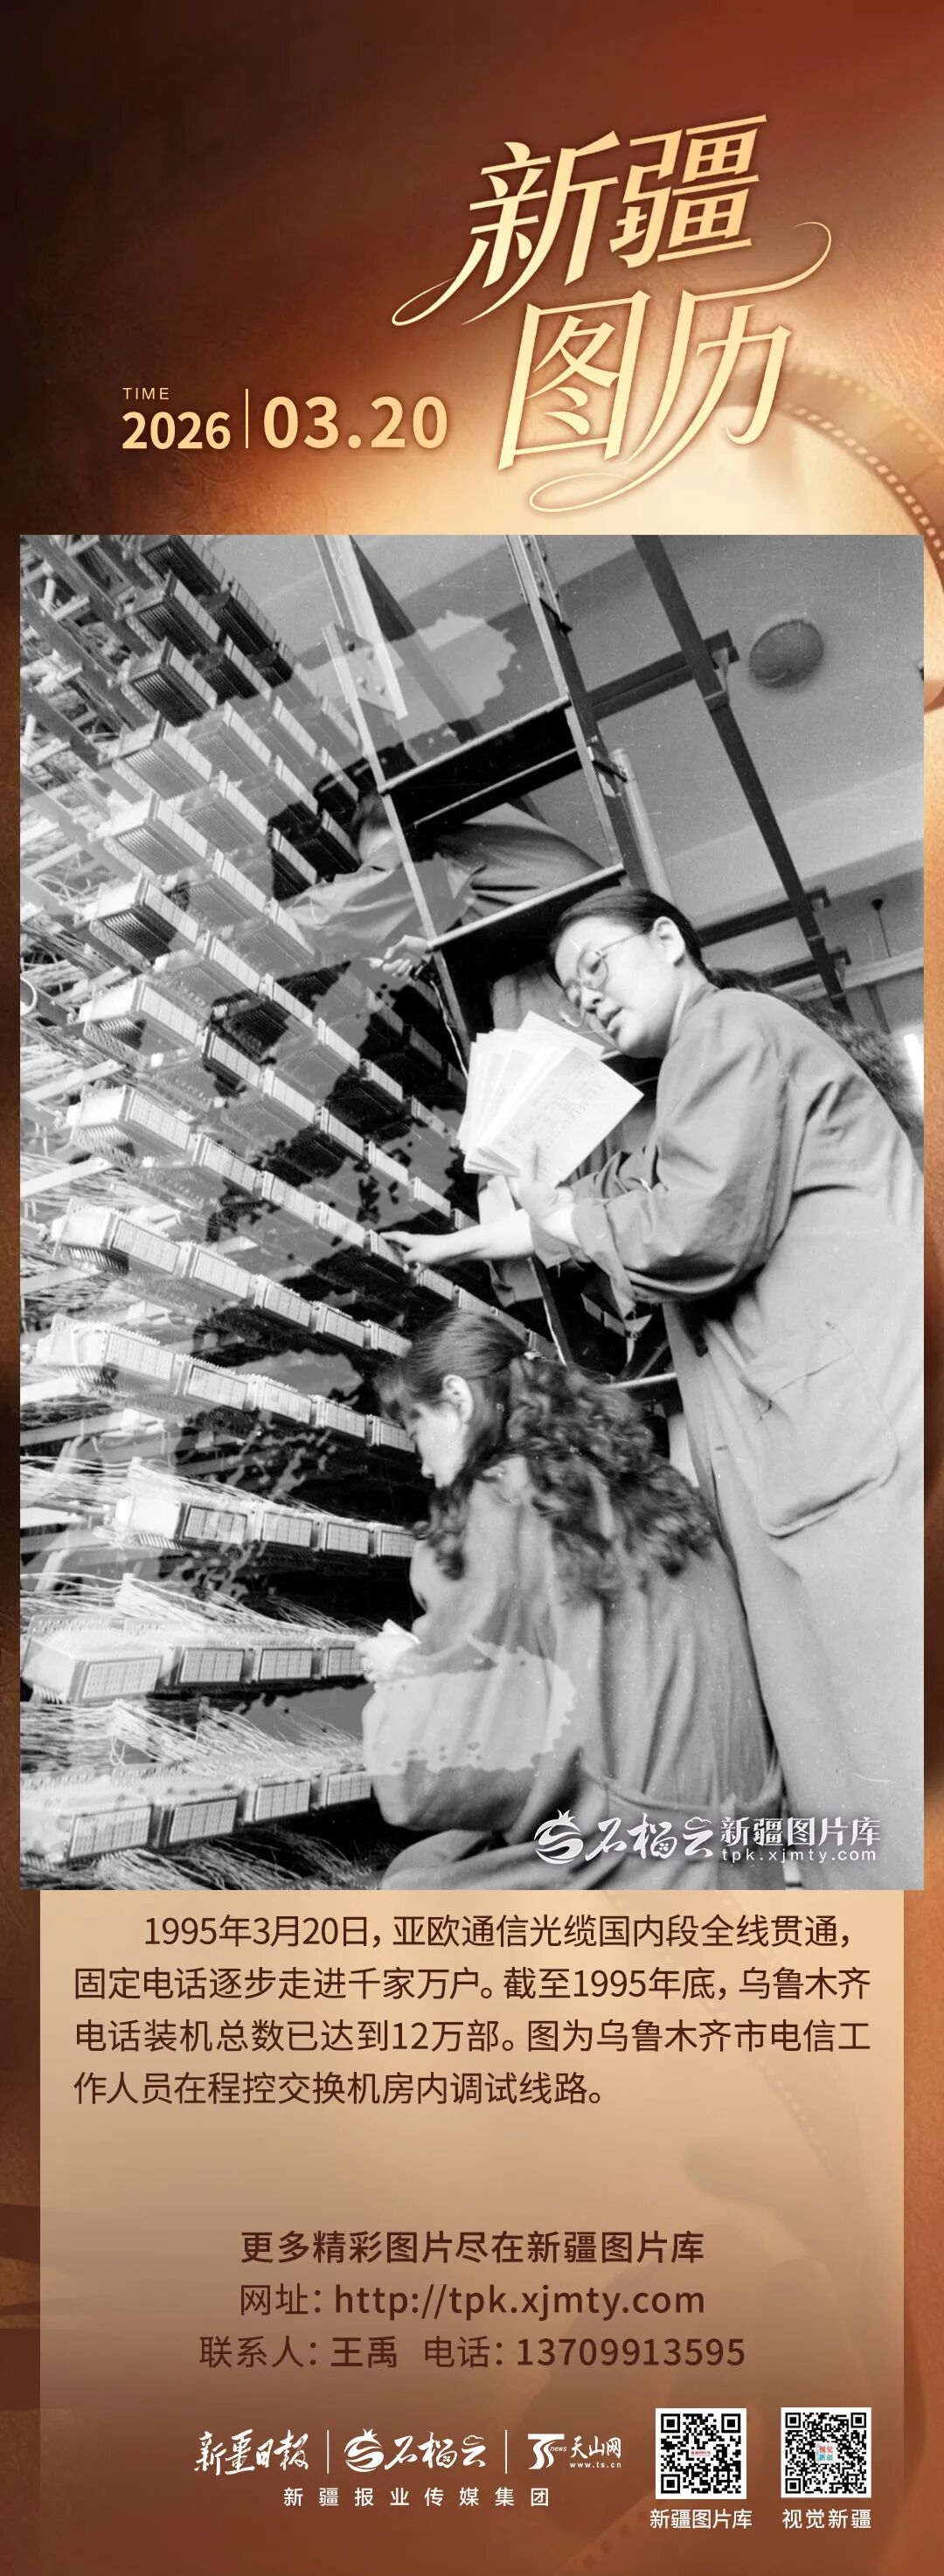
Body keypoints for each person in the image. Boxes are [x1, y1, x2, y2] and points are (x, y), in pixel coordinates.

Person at [386, 890, 923, 1888]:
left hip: (847, 1439)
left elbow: (693, 1226)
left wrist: (559, 1216)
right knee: (857, 1743)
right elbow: (645, 1204)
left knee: (885, 1730)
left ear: (671, 940)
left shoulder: (728, 1028)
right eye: (573, 990)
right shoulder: (707, 1073)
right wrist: (501, 1232)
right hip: (817, 1445)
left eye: (598, 965)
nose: (588, 997)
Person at [359, 1312, 783, 1891]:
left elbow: (427, 1782)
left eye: (416, 1432)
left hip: (643, 1869)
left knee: (404, 1889)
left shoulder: (498, 1502)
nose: (423, 1464)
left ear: (457, 1399)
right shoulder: (648, 1483)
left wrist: (405, 1673)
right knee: (439, 1859)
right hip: (743, 1852)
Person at [286, 791, 601, 1021]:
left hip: (589, 954)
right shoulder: (483, 833)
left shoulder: (418, 847)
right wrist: (427, 948)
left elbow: (321, 915)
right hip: (595, 946)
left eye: (377, 859)